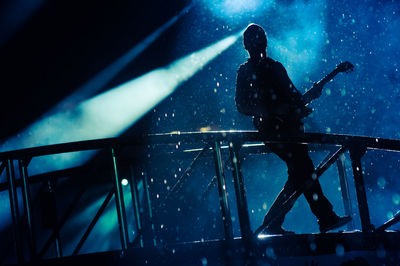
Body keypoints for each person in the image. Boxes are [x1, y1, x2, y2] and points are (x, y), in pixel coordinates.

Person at [235, 24, 351, 234]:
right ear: (247, 46)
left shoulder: (275, 68)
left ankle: (274, 222)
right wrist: (272, 110)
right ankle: (322, 217)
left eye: (259, 40)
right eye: (254, 41)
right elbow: (242, 105)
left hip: (289, 131)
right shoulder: (245, 72)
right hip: (274, 132)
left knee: (299, 175)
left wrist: (303, 103)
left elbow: (294, 97)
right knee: (302, 170)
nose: (258, 45)